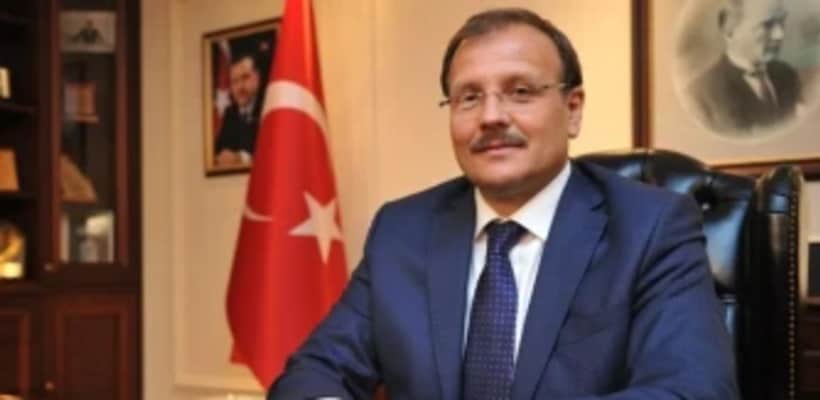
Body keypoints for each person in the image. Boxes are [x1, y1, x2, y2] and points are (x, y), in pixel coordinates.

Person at [269, 7, 739, 399]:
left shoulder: (650, 227)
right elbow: (312, 373)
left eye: (520, 91)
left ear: (572, 109)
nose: (491, 116)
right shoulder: (402, 230)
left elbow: (693, 389)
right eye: (469, 97)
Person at [688, 0, 802, 134]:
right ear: (729, 31)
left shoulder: (788, 76)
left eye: (781, 22)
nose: (779, 35)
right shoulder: (700, 94)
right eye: (767, 25)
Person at [215, 54, 263, 167]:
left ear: (257, 78)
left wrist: (241, 158)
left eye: (245, 78)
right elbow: (219, 151)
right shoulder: (230, 113)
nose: (240, 87)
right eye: (235, 81)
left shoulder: (268, 108)